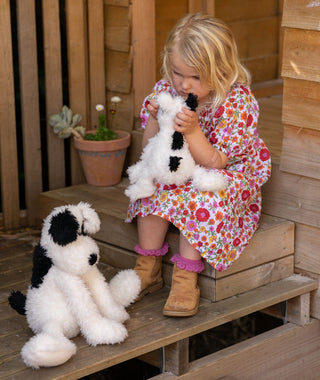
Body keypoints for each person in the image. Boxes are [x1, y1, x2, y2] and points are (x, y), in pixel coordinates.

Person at [125, 13, 271, 317]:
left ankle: (185, 276)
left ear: (221, 70)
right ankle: (148, 266)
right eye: (178, 73)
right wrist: (155, 119)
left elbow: (215, 160)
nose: (183, 84)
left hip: (223, 170)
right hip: (181, 166)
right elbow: (149, 148)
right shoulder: (167, 90)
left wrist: (192, 131)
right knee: (150, 184)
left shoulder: (237, 102)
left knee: (201, 196)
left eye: (195, 77)